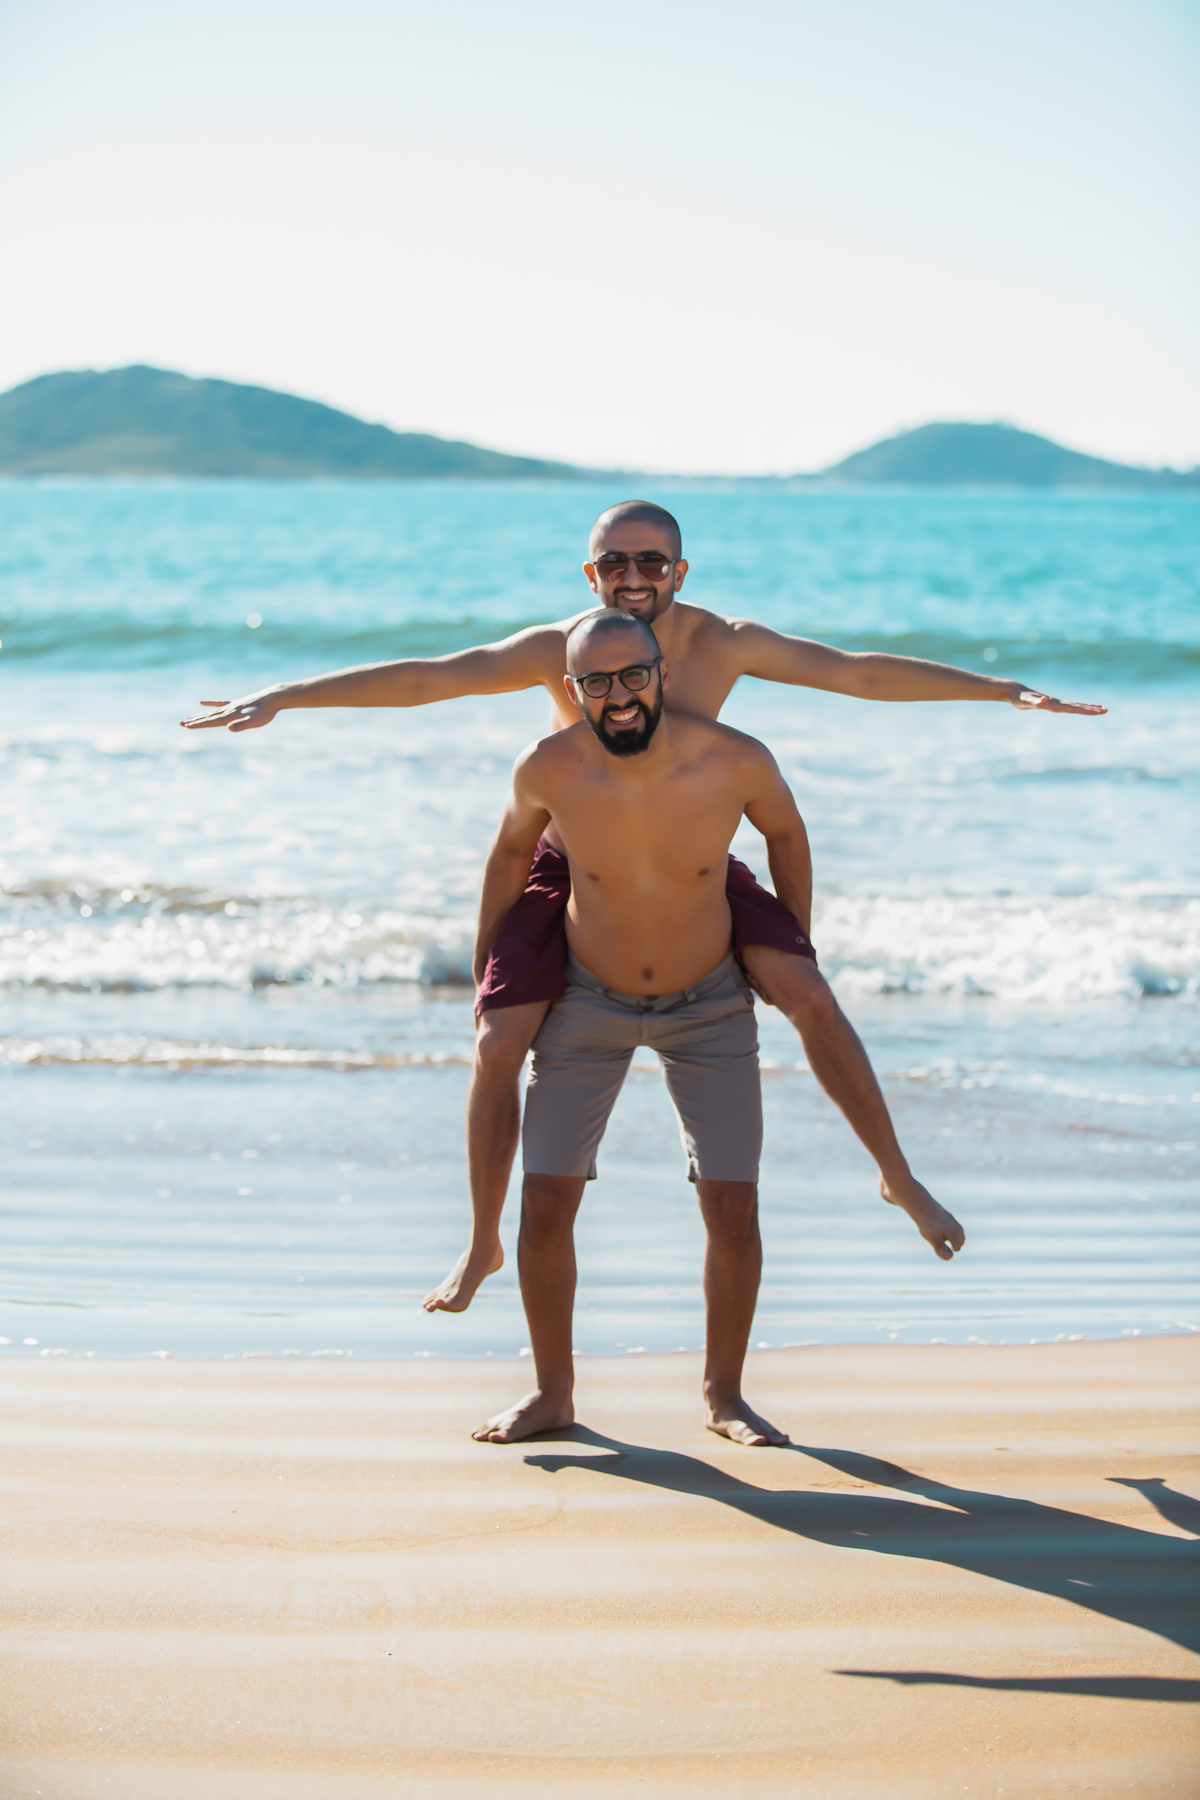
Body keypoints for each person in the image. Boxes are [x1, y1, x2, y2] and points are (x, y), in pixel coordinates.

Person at [181, 500, 1104, 1313]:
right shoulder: (560, 650)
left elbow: (857, 672)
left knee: (811, 995)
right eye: (613, 562)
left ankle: (898, 1180)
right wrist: (287, 696)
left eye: (649, 561)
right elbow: (431, 677)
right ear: (590, 572)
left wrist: (1006, 690)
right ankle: (479, 1242)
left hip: (698, 862)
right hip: (572, 868)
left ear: (679, 571)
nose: (631, 577)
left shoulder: (723, 641)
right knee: (498, 1043)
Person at [466, 609, 963, 1447]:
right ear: (572, 690)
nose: (617, 696)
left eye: (632, 677)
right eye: (596, 682)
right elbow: (512, 855)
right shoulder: (548, 767)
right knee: (547, 1202)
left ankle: (724, 1396)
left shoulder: (735, 759)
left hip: (708, 1002)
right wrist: (489, 962)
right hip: (588, 1001)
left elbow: (786, 833)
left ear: (662, 673)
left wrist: (784, 939)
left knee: (732, 1207)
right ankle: (553, 1395)